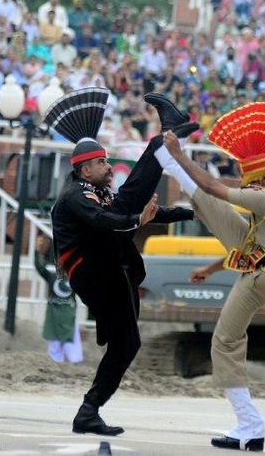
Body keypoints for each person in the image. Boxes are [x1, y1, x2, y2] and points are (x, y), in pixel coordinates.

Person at [157, 104, 265, 452]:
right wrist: (210, 269)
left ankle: (249, 424)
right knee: (218, 210)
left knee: (225, 341)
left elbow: (214, 185)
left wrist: (181, 156)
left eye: (246, 176)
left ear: (257, 177)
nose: (243, 181)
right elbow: (255, 245)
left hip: (261, 280)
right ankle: (167, 162)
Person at [50, 90, 197, 436]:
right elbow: (108, 222)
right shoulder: (77, 195)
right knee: (129, 201)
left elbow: (145, 213)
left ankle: (89, 410)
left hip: (110, 268)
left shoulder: (97, 192)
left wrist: (194, 212)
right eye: (102, 162)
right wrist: (138, 221)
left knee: (127, 344)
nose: (107, 166)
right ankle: (165, 137)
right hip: (93, 269)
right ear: (86, 168)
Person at [35, 234, 83, 363]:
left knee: (70, 340)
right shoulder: (53, 276)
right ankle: (58, 362)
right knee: (56, 342)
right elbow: (40, 267)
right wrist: (38, 252)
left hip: (67, 312)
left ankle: (73, 362)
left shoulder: (75, 275)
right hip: (56, 312)